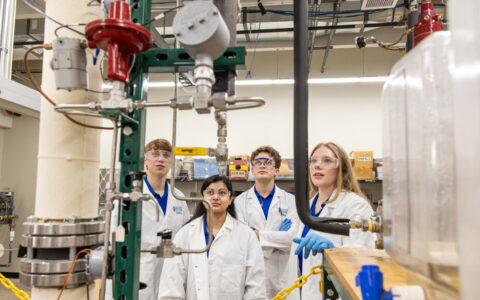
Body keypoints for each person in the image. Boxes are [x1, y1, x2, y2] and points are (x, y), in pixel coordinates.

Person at [286, 142, 376, 299]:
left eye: (327, 160)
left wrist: (333, 250)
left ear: (341, 168)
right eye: (313, 161)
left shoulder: (355, 205)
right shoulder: (304, 207)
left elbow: (365, 254)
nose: (317, 166)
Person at [158, 175, 267, 300]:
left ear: (231, 199)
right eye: (210, 192)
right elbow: (171, 285)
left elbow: (256, 287)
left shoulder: (246, 235)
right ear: (202, 197)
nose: (215, 197)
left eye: (222, 193)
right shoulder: (185, 234)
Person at [108, 139, 190, 299]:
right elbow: (115, 235)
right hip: (137, 267)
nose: (160, 159)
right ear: (145, 160)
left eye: (166, 155)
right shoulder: (129, 196)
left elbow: (186, 234)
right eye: (155, 154)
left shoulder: (178, 196)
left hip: (171, 268)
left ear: (171, 162)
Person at [234, 146, 299, 298]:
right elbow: (242, 240)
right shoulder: (239, 202)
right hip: (251, 274)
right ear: (252, 169)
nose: (262, 165)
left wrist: (257, 235)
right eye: (258, 162)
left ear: (276, 170)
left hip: (282, 277)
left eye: (268, 162)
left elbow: (292, 239)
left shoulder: (291, 201)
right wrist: (276, 239)